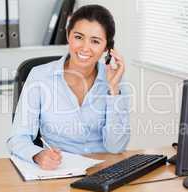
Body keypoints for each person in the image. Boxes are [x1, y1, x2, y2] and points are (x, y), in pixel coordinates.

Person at [7, 5, 130, 170]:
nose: (85, 47)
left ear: (107, 48)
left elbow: (116, 147)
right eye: (79, 37)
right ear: (68, 35)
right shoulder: (40, 76)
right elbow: (18, 138)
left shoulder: (115, 80)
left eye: (95, 41)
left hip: (104, 170)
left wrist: (113, 90)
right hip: (60, 169)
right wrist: (37, 155)